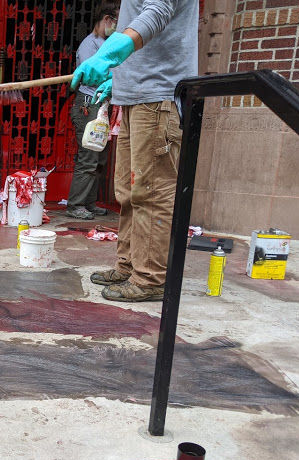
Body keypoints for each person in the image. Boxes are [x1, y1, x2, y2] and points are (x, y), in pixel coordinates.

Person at [71, 0, 198, 302]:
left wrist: (111, 52)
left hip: (156, 96)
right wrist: (118, 79)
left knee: (151, 193)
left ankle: (151, 277)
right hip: (136, 98)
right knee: (129, 193)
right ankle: (130, 266)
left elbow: (157, 13)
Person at [66, 1, 120, 221]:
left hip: (102, 106)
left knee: (100, 158)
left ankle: (88, 202)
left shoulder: (106, 45)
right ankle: (75, 204)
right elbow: (94, 75)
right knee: (88, 157)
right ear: (107, 20)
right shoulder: (90, 45)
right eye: (117, 21)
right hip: (88, 104)